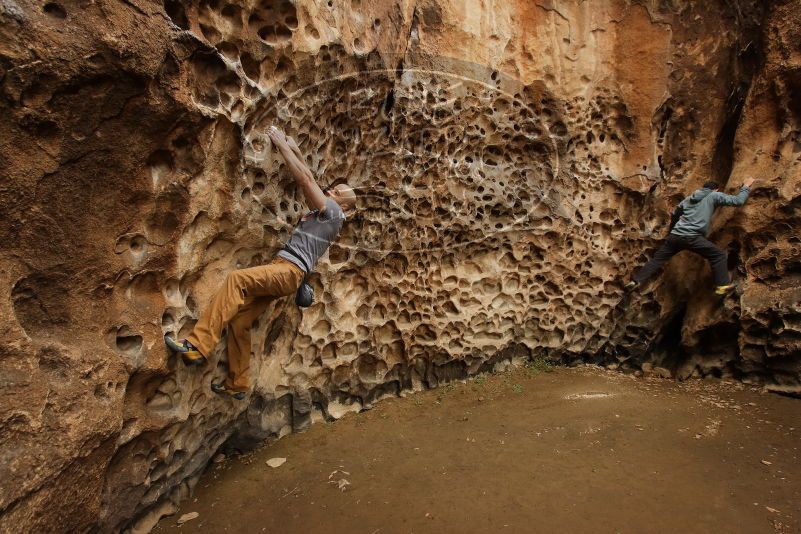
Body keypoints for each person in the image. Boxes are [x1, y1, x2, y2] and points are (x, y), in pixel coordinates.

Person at [165, 126, 357, 399]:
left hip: (288, 270)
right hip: (286, 273)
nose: (331, 190)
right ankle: (238, 382)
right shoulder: (329, 214)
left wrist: (280, 145)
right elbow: (311, 177)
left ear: (345, 206)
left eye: (337, 191)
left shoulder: (335, 213)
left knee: (236, 280)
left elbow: (305, 180)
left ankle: (198, 345)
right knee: (241, 320)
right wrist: (295, 149)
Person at [624, 177, 755, 295]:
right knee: (718, 255)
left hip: (675, 236)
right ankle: (722, 285)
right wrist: (746, 187)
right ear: (716, 189)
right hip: (692, 237)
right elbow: (738, 201)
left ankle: (636, 281)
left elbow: (675, 215)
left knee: (656, 260)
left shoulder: (689, 199)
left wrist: (672, 231)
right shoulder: (713, 196)